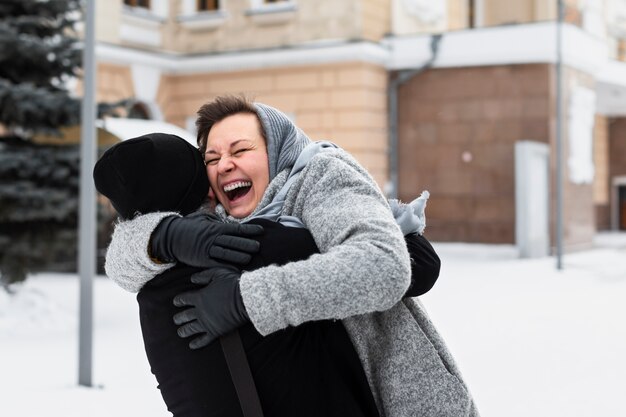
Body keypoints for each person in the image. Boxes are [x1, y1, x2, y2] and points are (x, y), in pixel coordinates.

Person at [102, 97, 479, 416]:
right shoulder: (224, 218)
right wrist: (162, 236)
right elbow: (122, 269)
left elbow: (383, 265)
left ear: (278, 149)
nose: (223, 165)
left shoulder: (318, 178)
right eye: (211, 158)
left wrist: (245, 298)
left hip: (402, 400)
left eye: (241, 149)